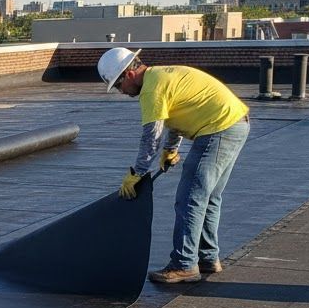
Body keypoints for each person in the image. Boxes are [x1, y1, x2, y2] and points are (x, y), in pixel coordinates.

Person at [98, 47, 249, 284]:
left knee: (190, 199)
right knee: (209, 198)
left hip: (218, 128)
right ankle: (207, 257)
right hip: (234, 124)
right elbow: (175, 117)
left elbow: (152, 136)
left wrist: (138, 173)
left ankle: (184, 264)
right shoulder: (161, 77)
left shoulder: (152, 89)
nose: (121, 92)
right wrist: (170, 150)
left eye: (118, 86)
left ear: (129, 75)